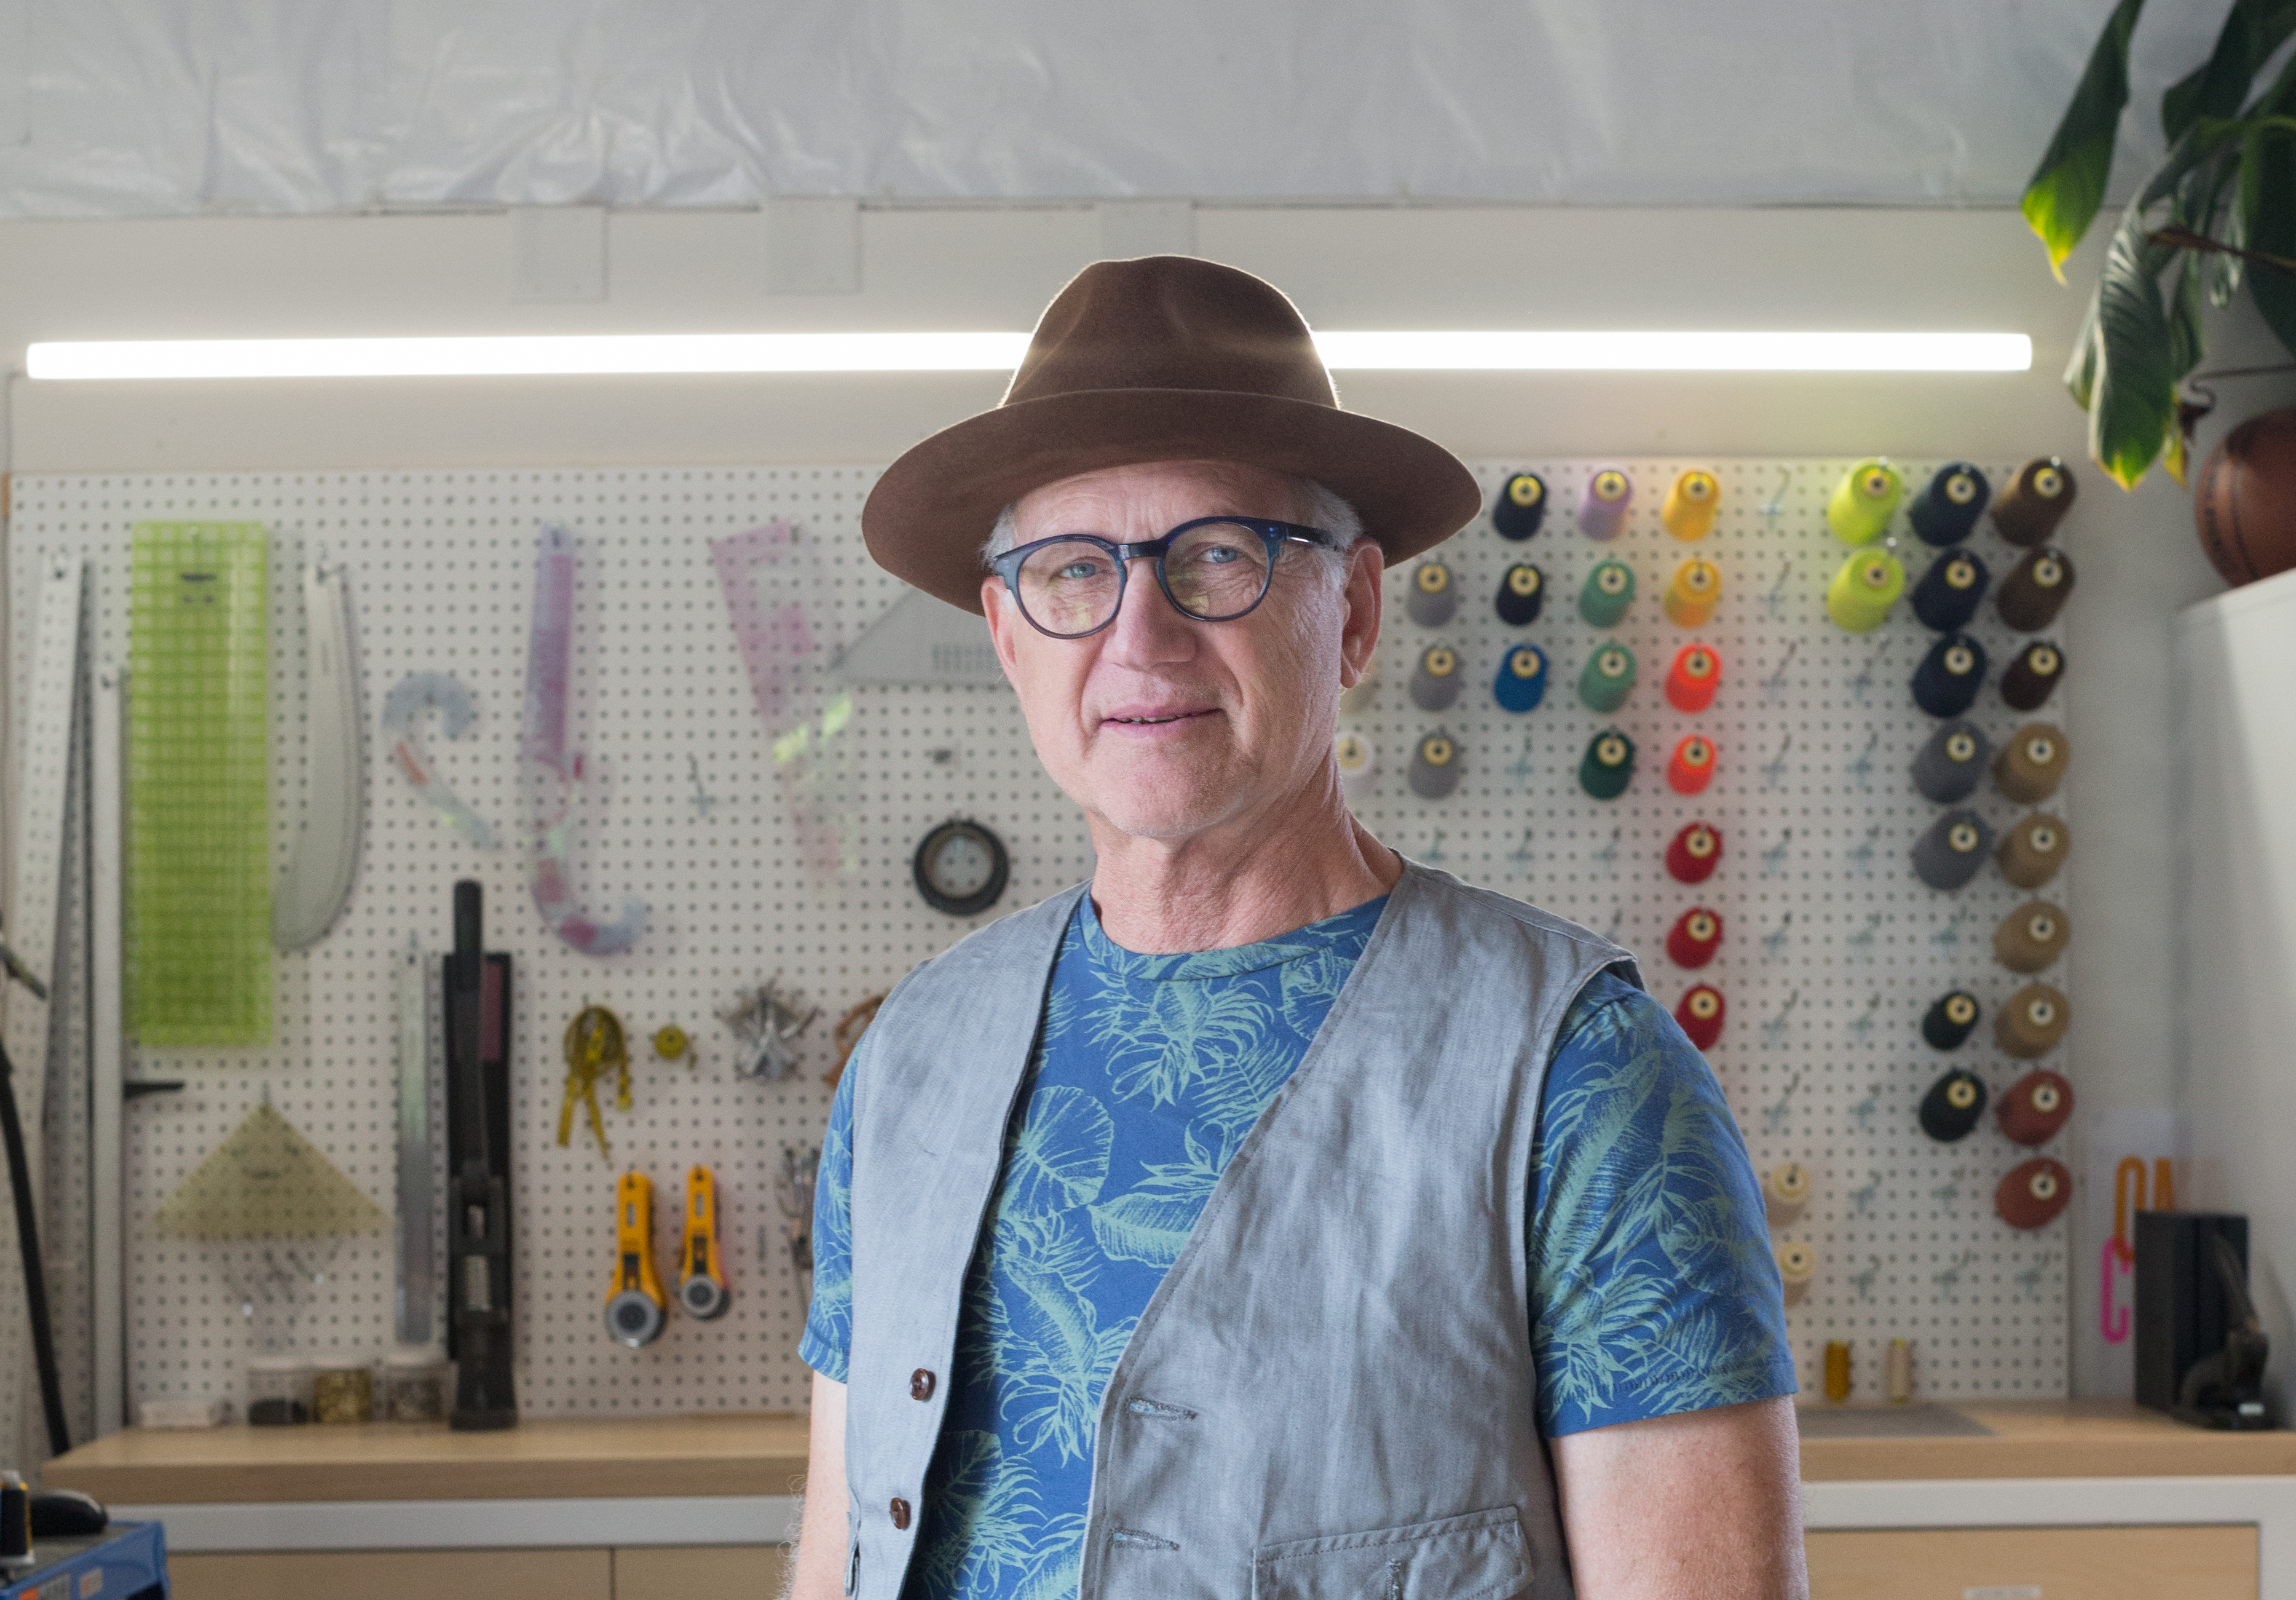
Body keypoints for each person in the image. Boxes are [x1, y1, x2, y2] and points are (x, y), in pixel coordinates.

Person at [788, 255, 1806, 1600]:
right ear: (1004, 633)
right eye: (1072, 570)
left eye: (1215, 554)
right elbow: (834, 1549)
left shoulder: (1579, 1078)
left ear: (1355, 610)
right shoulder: (908, 1060)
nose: (1138, 636)